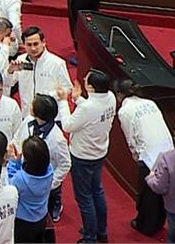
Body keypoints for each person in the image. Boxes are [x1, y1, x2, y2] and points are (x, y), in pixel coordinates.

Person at [59, 69, 117, 244]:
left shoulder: (88, 107)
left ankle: (90, 237)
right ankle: (101, 231)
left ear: (91, 87)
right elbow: (90, 113)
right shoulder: (111, 97)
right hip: (99, 152)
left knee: (84, 198)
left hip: (82, 156)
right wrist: (77, 99)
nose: (83, 80)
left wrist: (63, 102)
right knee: (97, 191)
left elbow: (68, 126)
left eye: (86, 80)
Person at [115, 79, 171, 236]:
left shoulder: (125, 111)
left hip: (148, 156)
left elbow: (130, 138)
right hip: (166, 151)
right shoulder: (150, 103)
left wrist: (136, 155)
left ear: (119, 95)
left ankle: (146, 225)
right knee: (161, 192)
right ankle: (159, 222)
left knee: (148, 194)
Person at [14, 93, 69, 224]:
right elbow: (17, 138)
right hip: (24, 177)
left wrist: (50, 183)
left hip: (45, 184)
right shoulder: (28, 121)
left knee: (44, 220)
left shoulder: (57, 139)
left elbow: (65, 164)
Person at [7, 26, 72, 119]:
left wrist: (48, 97)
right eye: (29, 45)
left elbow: (67, 88)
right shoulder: (20, 60)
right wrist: (10, 71)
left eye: (36, 44)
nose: (33, 48)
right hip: (27, 115)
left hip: (50, 116)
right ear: (24, 45)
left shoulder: (57, 63)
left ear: (43, 42)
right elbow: (9, 83)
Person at [7, 136, 54, 243]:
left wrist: (14, 162)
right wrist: (19, 162)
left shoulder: (20, 179)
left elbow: (10, 182)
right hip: (41, 217)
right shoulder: (49, 171)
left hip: (22, 222)